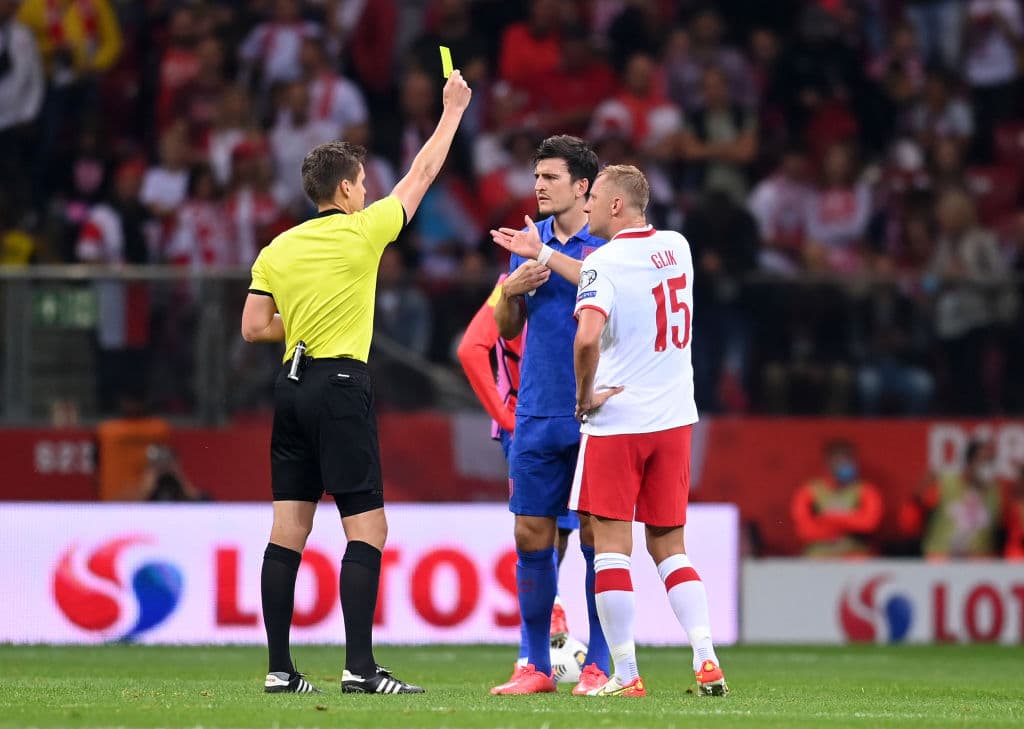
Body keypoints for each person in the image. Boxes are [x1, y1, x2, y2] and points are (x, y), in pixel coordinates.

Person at [240, 70, 473, 695]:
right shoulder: (362, 230)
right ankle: (360, 668)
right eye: (364, 184)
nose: (368, 193)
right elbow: (421, 175)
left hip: (290, 390)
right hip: (341, 385)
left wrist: (307, 315)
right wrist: (451, 112)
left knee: (287, 529)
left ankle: (280, 669)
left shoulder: (277, 249)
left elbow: (253, 326)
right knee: (366, 528)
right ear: (346, 190)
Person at [501, 164, 728, 697]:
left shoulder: (603, 261)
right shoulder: (677, 246)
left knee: (609, 550)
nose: (590, 206)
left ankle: (624, 673)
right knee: (671, 548)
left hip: (618, 422)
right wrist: (542, 255)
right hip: (674, 419)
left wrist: (584, 397)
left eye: (597, 197)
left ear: (616, 207)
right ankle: (706, 656)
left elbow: (586, 339)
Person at [487, 135, 611, 695]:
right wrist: (510, 291)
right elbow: (509, 329)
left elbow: (595, 289)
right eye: (536, 176)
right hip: (537, 407)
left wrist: (540, 257)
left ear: (582, 186)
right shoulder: (527, 241)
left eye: (550, 177)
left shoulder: (608, 241)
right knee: (530, 531)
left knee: (597, 536)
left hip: (596, 407)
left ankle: (600, 665)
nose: (538, 185)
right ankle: (534, 664)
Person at [456, 275, 578, 664]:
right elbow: (471, 349)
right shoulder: (515, 283)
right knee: (546, 532)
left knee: (553, 532)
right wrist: (507, 419)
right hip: (542, 420)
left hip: (548, 420)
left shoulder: (522, 280)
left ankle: (539, 645)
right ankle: (536, 649)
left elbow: (472, 349)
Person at [790, 440, 883, 558]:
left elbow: (869, 524)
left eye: (849, 460)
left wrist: (829, 518)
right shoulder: (809, 491)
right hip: (818, 556)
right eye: (839, 460)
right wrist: (848, 524)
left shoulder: (866, 491)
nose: (845, 464)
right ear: (828, 462)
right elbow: (804, 530)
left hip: (855, 555)